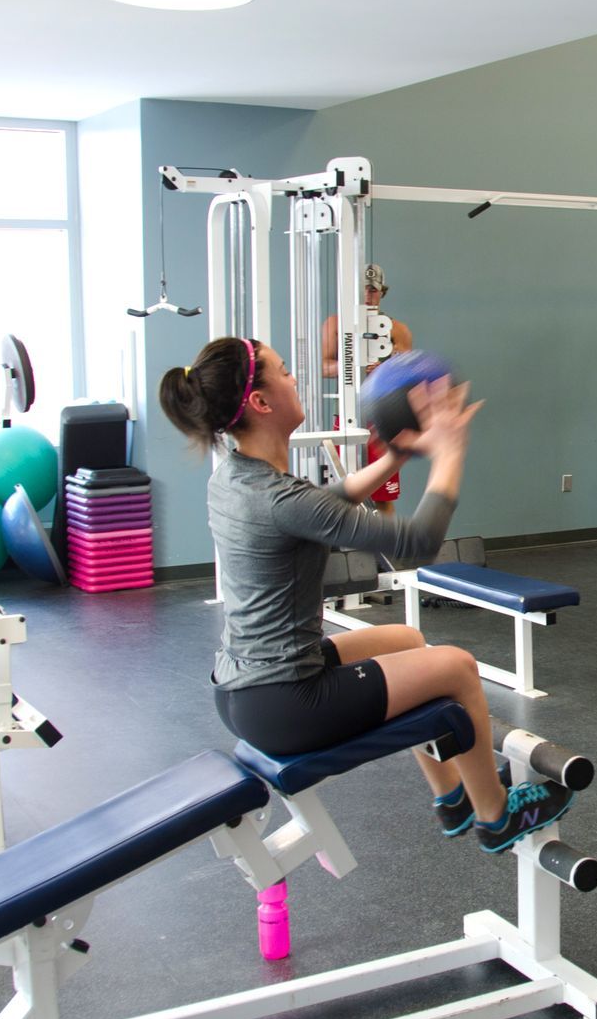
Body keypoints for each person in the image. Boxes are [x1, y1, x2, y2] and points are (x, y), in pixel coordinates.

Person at [159, 336, 570, 853]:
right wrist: (450, 453)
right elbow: (417, 543)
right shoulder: (279, 498)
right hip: (286, 703)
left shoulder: (236, 478)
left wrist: (395, 456)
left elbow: (318, 504)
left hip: (243, 692)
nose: (294, 379)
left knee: (403, 639)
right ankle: (495, 817)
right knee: (457, 667)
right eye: (283, 372)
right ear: (261, 403)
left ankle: (452, 798)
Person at [322, 264, 414, 515]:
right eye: (363, 289)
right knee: (342, 493)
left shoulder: (397, 329)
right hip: (347, 415)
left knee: (382, 495)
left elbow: (408, 374)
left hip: (382, 418)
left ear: (382, 292)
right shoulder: (335, 324)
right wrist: (353, 364)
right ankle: (344, 551)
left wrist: (385, 370)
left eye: (373, 290)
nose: (368, 295)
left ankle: (386, 551)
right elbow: (322, 367)